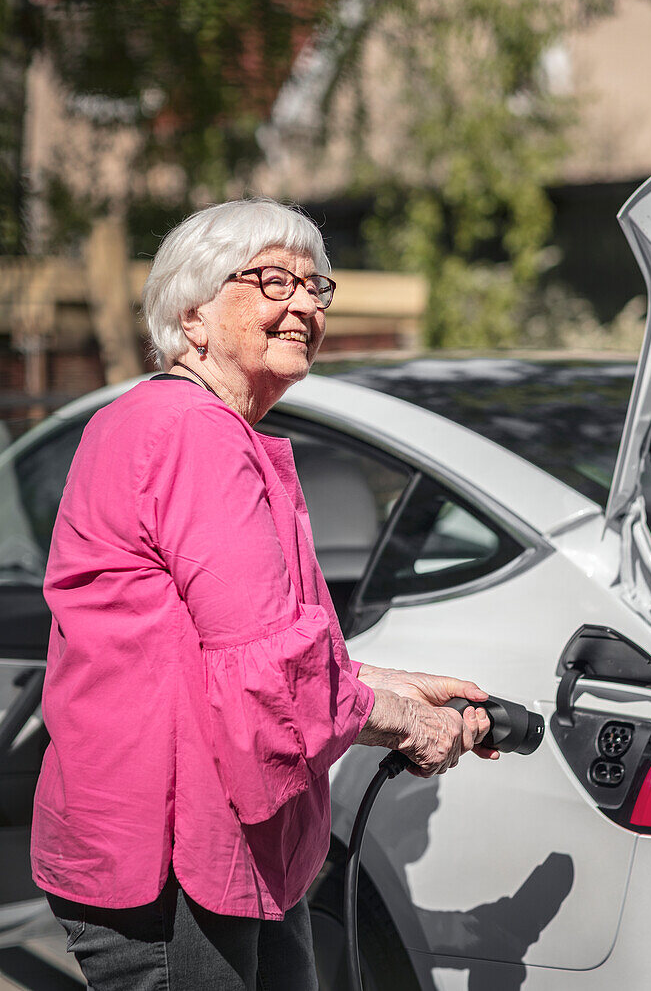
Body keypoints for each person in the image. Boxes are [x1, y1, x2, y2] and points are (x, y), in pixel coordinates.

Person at [31, 198, 497, 990]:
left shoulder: (170, 422)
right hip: (173, 862)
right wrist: (410, 726)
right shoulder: (193, 432)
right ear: (193, 312)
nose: (304, 305)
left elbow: (232, 641)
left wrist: (387, 685)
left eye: (316, 287)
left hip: (217, 852)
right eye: (273, 280)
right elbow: (262, 670)